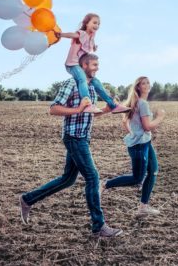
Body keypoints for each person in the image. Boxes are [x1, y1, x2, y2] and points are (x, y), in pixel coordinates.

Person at [19, 53, 122, 238]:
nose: (97, 67)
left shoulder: (91, 87)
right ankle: (98, 226)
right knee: (92, 177)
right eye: (94, 64)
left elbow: (89, 113)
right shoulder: (71, 83)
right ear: (83, 65)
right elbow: (53, 108)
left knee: (68, 179)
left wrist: (106, 110)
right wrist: (77, 109)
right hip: (73, 137)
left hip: (83, 137)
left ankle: (27, 199)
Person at [100, 76, 165, 217]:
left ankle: (143, 208)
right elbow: (147, 126)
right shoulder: (142, 104)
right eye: (143, 83)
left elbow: (126, 123)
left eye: (148, 82)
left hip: (145, 143)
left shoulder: (137, 103)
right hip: (139, 146)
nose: (147, 84)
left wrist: (134, 133)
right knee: (137, 178)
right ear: (138, 87)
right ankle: (104, 184)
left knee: (153, 171)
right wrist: (160, 117)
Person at [56, 13, 130, 114]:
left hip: (81, 65)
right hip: (72, 64)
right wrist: (61, 34)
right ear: (86, 23)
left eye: (99, 24)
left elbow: (92, 42)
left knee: (97, 83)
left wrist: (94, 47)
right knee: (82, 78)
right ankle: (87, 104)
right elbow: (73, 35)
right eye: (94, 22)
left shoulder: (92, 35)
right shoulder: (82, 33)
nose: (97, 25)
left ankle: (113, 106)